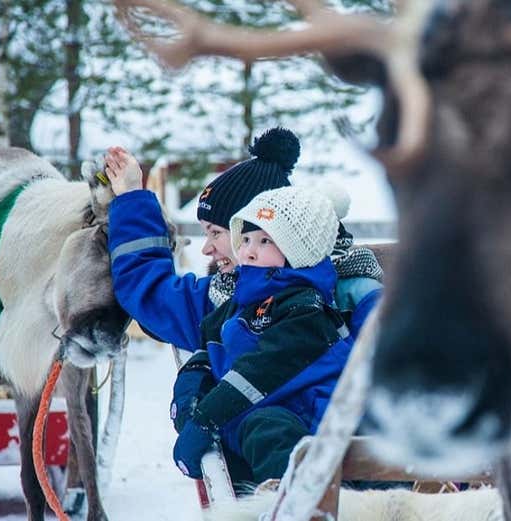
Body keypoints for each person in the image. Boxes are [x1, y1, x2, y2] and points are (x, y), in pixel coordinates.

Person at [104, 127, 382, 353]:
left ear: (260, 231)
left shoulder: (354, 295)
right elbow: (151, 294)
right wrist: (131, 197)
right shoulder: (224, 298)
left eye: (216, 232)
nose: (207, 248)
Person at [171, 185, 353, 483]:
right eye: (244, 239)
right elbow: (210, 345)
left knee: (268, 428)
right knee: (260, 428)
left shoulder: (304, 309)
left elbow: (262, 370)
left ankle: (300, 507)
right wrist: (190, 388)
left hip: (312, 424)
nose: (248, 251)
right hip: (252, 424)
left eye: (265, 240)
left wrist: (206, 419)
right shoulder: (242, 301)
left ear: (296, 252)